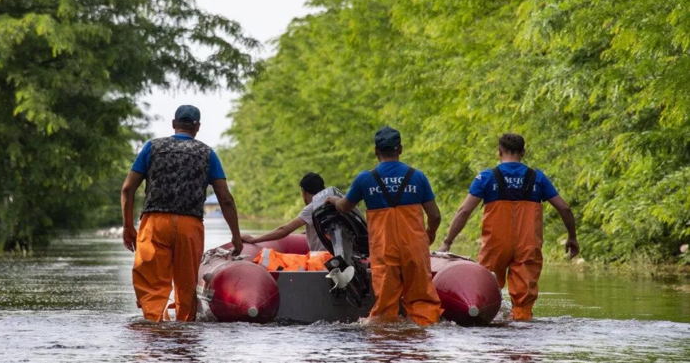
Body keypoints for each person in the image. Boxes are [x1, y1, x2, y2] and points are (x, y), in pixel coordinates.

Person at [437, 133, 579, 321]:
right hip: (528, 246)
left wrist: (448, 241)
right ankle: (521, 330)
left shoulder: (487, 177)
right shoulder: (537, 178)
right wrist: (572, 237)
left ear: (499, 151)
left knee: (483, 293)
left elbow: (464, 211)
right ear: (523, 152)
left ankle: (484, 325)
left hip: (494, 247)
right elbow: (565, 208)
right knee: (523, 304)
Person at [121, 105, 243, 322]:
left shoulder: (152, 147)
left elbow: (127, 189)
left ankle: (153, 331)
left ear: (173, 124)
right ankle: (183, 337)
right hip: (190, 224)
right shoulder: (208, 153)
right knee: (186, 287)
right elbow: (225, 198)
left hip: (154, 222)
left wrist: (128, 226)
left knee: (152, 285)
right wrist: (236, 236)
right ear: (197, 127)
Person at [326, 126, 443, 326]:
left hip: (384, 249)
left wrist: (333, 200)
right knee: (422, 302)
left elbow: (345, 207)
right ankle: (422, 340)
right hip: (414, 247)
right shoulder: (418, 176)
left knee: (385, 310)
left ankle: (386, 346)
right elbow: (435, 215)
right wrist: (429, 234)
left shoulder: (365, 179)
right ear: (401, 149)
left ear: (375, 151)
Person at [241, 172, 328, 251]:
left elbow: (283, 230)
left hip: (322, 259)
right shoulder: (330, 201)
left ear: (303, 192)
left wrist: (254, 239)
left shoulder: (311, 207)